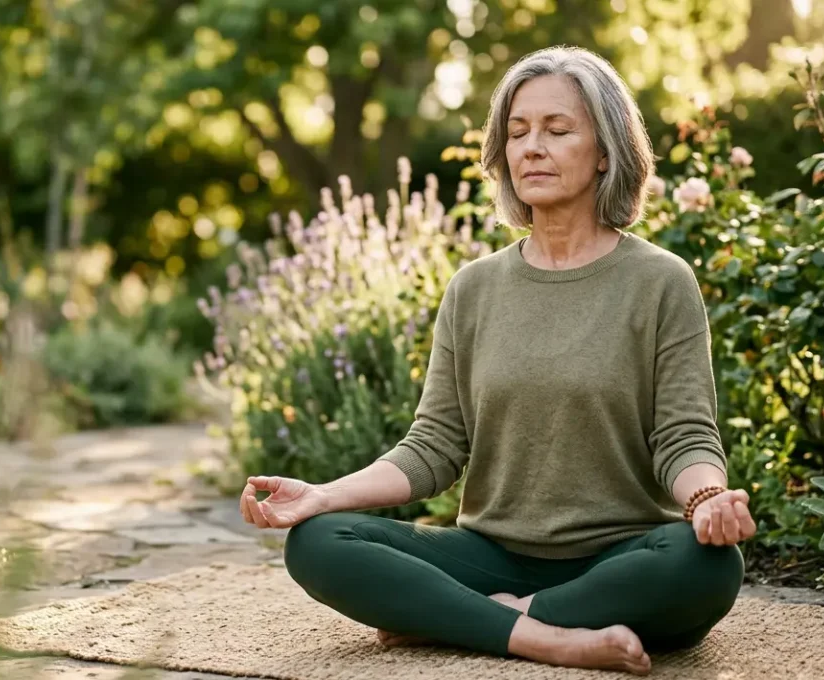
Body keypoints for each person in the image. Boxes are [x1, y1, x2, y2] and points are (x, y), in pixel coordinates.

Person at [237, 46, 755, 677]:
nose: (531, 147)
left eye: (557, 130)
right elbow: (433, 446)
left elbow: (683, 435)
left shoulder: (660, 281)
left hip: (620, 556)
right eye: (517, 133)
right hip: (491, 552)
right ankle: (551, 636)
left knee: (706, 563)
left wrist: (705, 499)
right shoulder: (474, 288)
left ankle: (478, 618)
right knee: (318, 542)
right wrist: (322, 495)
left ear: (605, 153)